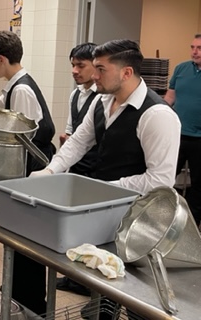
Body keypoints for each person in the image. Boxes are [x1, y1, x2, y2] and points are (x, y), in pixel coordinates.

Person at [32, 39, 181, 320]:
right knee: (104, 278)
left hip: (141, 221)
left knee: (137, 298)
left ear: (126, 72)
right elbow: (78, 142)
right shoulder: (101, 102)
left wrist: (105, 189)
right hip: (106, 211)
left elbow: (160, 181)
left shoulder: (157, 115)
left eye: (101, 69)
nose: (94, 75)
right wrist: (50, 171)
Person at [0, 30, 55, 315]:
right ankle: (15, 290)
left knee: (28, 240)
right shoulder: (12, 86)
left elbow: (21, 139)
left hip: (33, 168)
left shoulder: (22, 89)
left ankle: (32, 303)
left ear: (2, 58)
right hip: (26, 166)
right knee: (17, 238)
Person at [56, 42, 98, 296]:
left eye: (80, 65)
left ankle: (89, 283)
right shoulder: (75, 95)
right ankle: (74, 278)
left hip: (97, 170)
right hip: (76, 167)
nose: (74, 71)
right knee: (76, 228)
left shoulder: (103, 97)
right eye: (72, 65)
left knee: (92, 229)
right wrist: (66, 139)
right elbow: (72, 131)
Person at [164, 34, 201, 228]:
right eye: (192, 47)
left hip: (199, 139)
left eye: (199, 48)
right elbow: (170, 98)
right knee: (165, 179)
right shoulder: (181, 69)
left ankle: (191, 227)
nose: (195, 52)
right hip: (177, 135)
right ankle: (164, 219)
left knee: (198, 186)